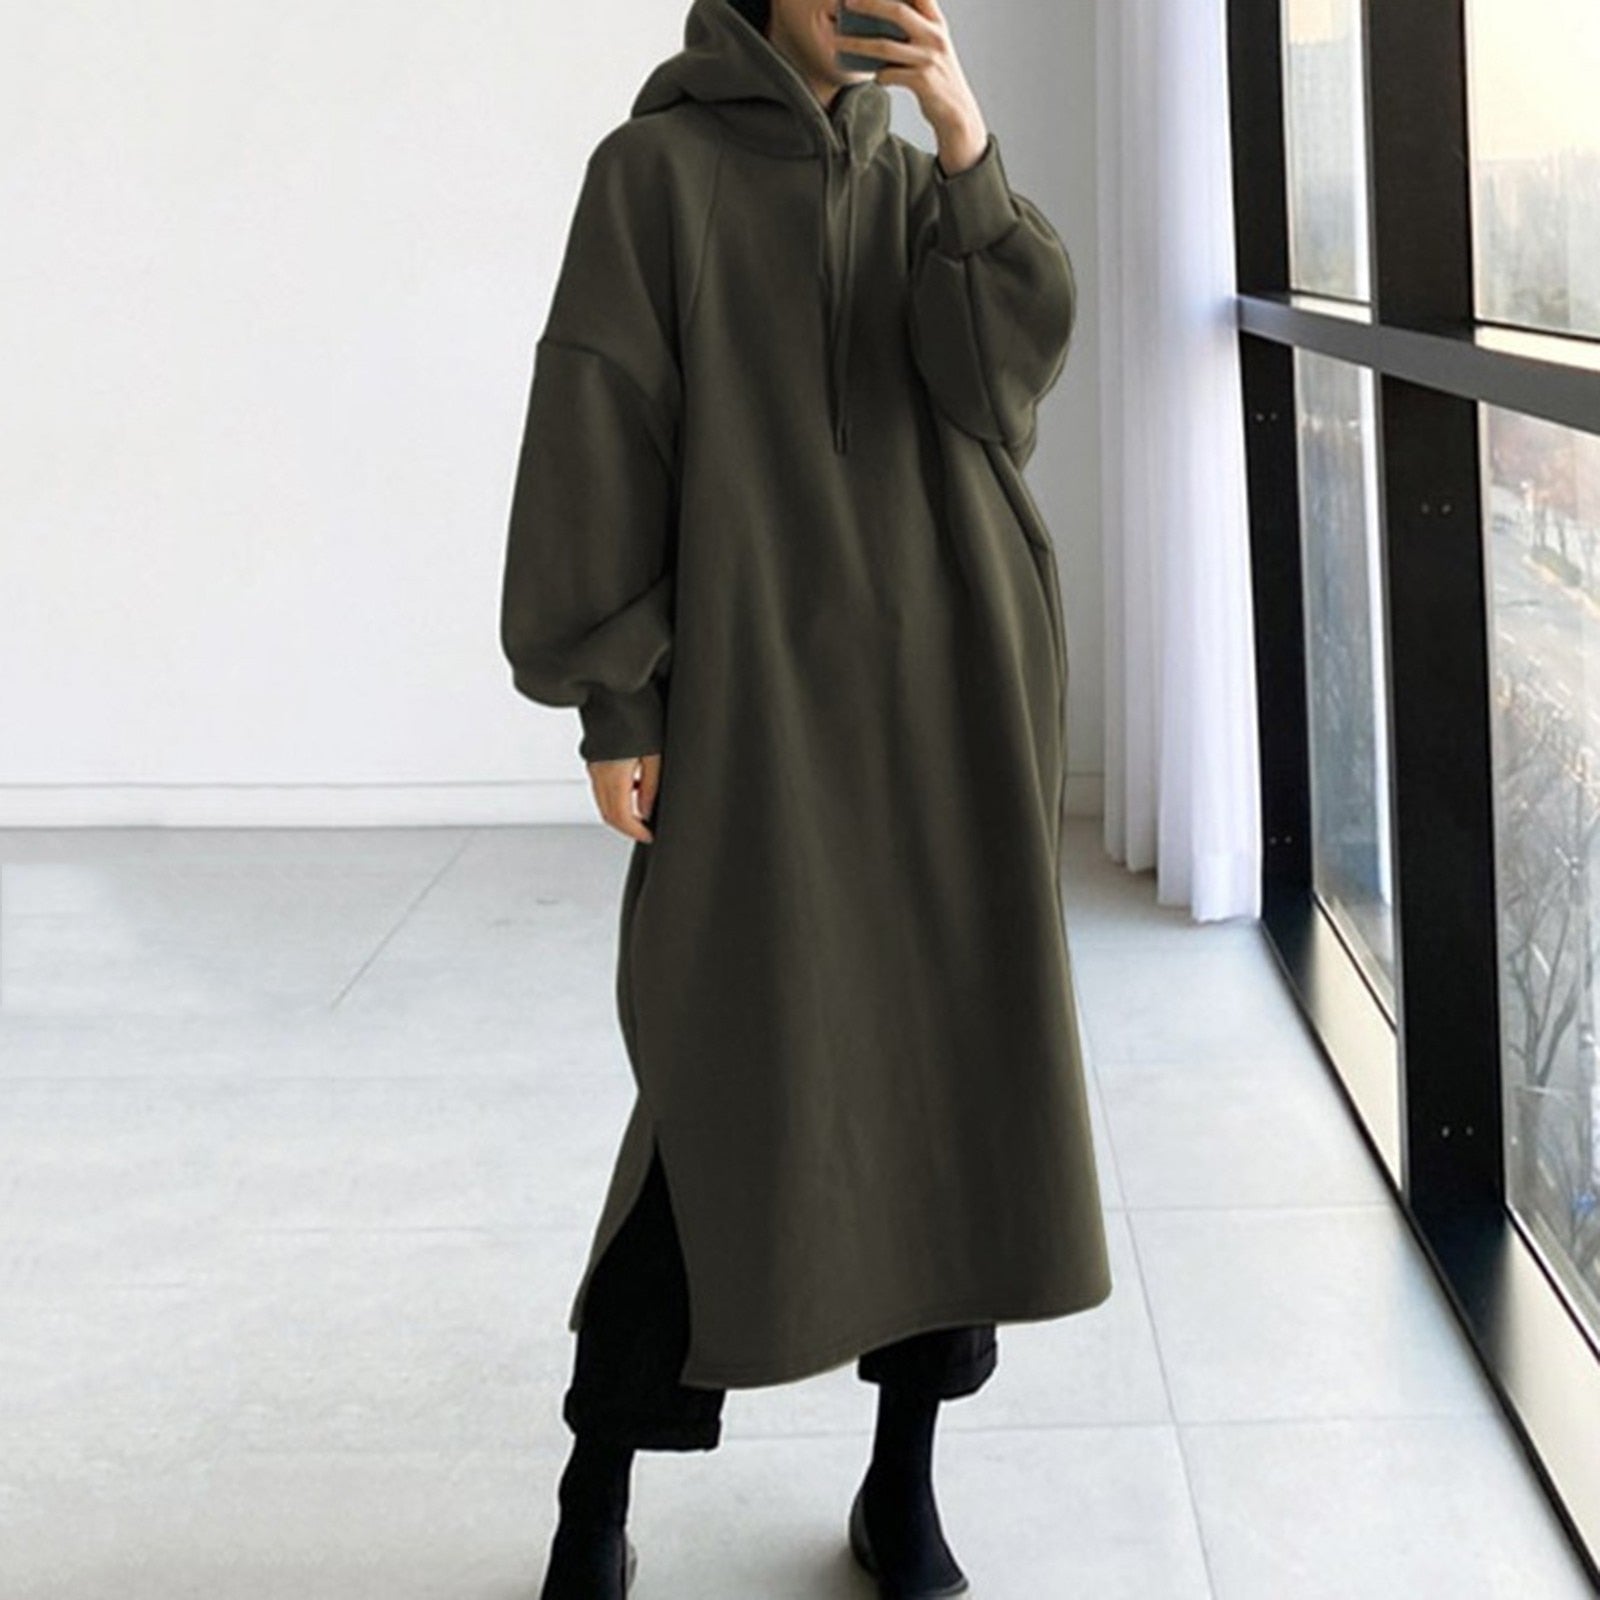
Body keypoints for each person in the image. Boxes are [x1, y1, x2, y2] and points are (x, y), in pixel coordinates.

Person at [499, 0, 1114, 1594]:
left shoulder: (924, 183)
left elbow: (1006, 383)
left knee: (943, 1087)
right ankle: (594, 1499)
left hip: (950, 696)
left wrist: (967, 142)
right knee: (719, 1084)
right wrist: (616, 696)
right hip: (756, 700)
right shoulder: (652, 171)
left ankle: (901, 1486)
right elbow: (600, 422)